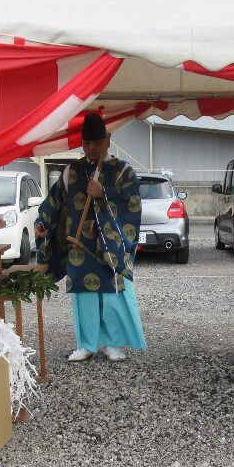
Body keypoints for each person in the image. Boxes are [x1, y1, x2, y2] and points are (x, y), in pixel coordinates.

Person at [34, 112, 147, 362]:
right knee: (83, 297)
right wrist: (42, 222)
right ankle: (86, 344)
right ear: (82, 143)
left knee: (111, 295)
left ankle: (112, 344)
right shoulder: (70, 171)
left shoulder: (122, 170)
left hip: (109, 246)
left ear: (107, 140)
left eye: (97, 143)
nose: (92, 148)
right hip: (79, 244)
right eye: (87, 144)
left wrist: (103, 192)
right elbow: (54, 201)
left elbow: (133, 203)